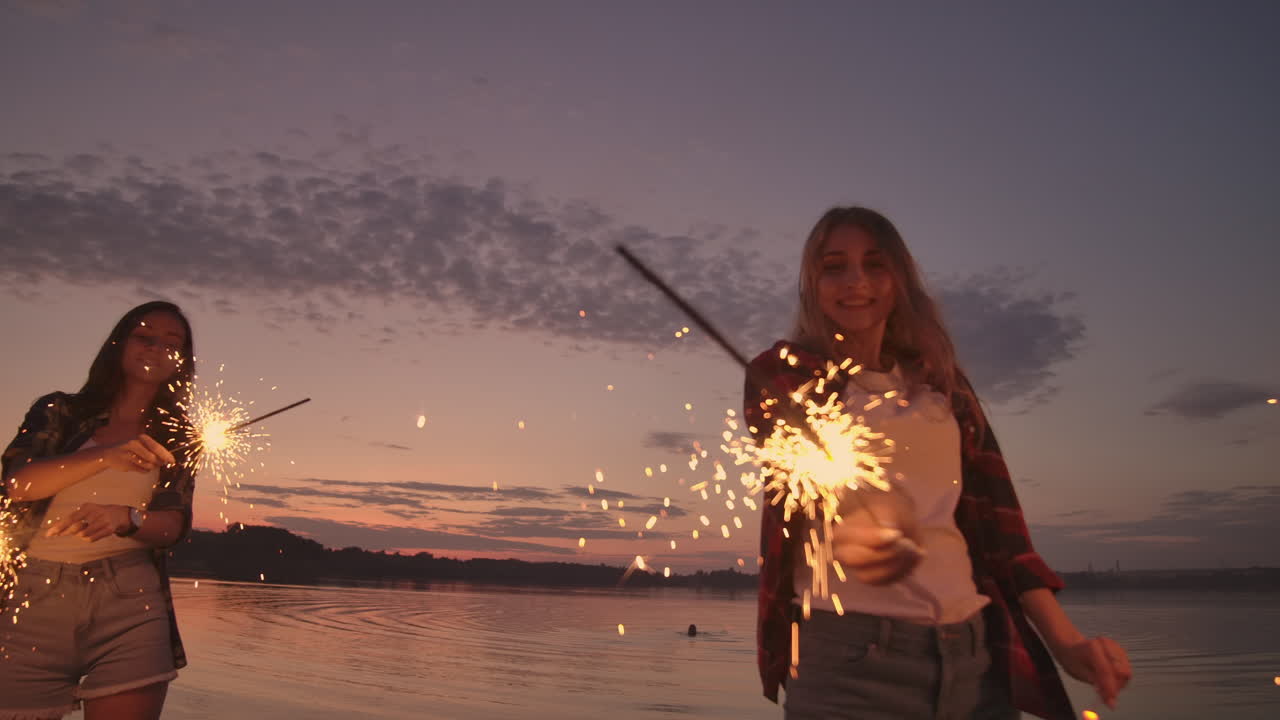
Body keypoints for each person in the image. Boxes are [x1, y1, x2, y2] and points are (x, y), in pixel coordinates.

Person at [747, 207, 1131, 720]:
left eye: (874, 264)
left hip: (975, 660)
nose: (855, 281)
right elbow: (780, 439)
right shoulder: (785, 376)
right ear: (812, 285)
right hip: (848, 665)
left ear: (899, 280)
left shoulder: (945, 390)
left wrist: (1066, 644)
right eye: (834, 266)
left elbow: (1004, 535)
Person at [1, 301, 198, 720]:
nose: (157, 348)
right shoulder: (60, 411)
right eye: (145, 337)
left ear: (182, 360)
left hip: (130, 599)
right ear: (120, 343)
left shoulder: (179, 435)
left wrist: (130, 519)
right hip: (31, 596)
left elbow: (174, 524)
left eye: (171, 343)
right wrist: (106, 456)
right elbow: (18, 484)